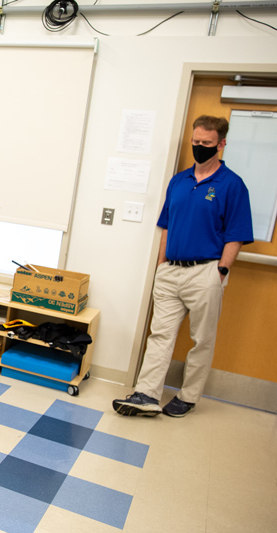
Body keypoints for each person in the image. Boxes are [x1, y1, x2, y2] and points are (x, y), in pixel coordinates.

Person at [113, 115, 252, 418]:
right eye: (196, 142)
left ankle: (188, 397)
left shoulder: (232, 185)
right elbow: (166, 226)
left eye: (207, 144)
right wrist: (161, 266)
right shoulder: (179, 181)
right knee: (159, 335)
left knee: (202, 339)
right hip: (170, 271)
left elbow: (236, 235)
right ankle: (146, 394)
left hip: (206, 271)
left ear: (221, 144)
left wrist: (222, 271)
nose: (200, 148)